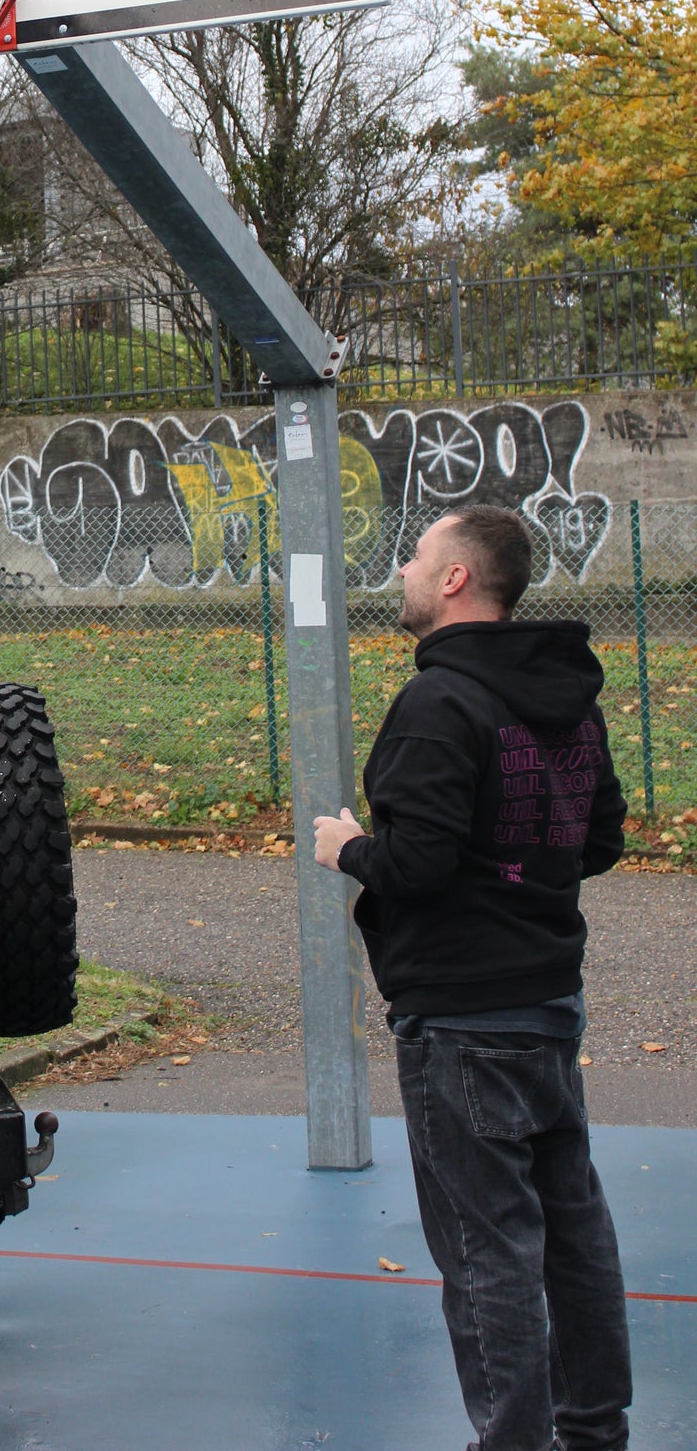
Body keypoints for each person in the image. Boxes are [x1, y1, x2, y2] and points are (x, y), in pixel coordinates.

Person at [314, 503, 631, 1451]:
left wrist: (348, 849)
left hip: (460, 1022)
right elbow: (599, 838)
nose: (403, 569)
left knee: (486, 1251)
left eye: (416, 556)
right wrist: (518, 873)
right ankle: (593, 1430)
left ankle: (511, 1440)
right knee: (572, 1234)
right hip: (546, 1004)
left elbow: (413, 865)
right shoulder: (568, 698)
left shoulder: (437, 704)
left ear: (455, 579)